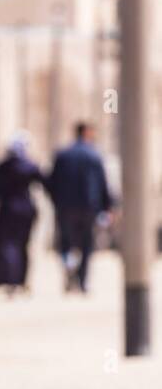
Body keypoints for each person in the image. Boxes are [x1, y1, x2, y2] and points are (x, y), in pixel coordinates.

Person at [46, 122, 114, 294]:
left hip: (65, 207)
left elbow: (51, 182)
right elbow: (102, 184)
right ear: (87, 133)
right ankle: (82, 281)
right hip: (88, 208)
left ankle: (69, 267)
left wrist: (56, 201)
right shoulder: (94, 156)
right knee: (86, 245)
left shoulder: (62, 155)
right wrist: (107, 206)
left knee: (66, 244)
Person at [0, 132, 44, 295]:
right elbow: (45, 182)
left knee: (6, 245)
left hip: (7, 209)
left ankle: (9, 279)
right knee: (23, 245)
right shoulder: (30, 166)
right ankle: (21, 280)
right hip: (26, 209)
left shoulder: (1, 167)